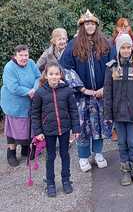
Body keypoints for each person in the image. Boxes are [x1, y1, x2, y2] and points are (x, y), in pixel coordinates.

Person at [60, 9, 110, 172]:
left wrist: (105, 87)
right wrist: (82, 88)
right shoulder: (73, 45)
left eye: (92, 23)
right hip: (81, 97)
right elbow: (65, 68)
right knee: (82, 127)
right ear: (82, 26)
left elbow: (112, 66)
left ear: (96, 26)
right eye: (87, 24)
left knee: (99, 126)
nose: (90, 26)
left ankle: (98, 154)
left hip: (101, 95)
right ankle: (82, 157)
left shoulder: (104, 42)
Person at [104, 33, 133, 186]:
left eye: (128, 47)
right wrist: (108, 114)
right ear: (118, 49)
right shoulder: (111, 68)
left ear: (132, 48)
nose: (125, 50)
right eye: (122, 48)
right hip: (117, 114)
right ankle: (125, 169)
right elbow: (108, 93)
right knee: (122, 143)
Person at [31, 62, 80, 197]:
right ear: (46, 75)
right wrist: (38, 132)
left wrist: (76, 128)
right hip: (48, 131)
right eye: (51, 74)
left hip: (64, 129)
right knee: (50, 157)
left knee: (65, 155)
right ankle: (50, 183)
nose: (54, 77)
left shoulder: (67, 90)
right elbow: (35, 113)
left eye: (57, 74)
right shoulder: (40, 93)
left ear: (60, 75)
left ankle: (66, 180)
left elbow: (73, 110)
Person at [0, 45, 41, 167]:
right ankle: (11, 153)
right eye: (21, 55)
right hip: (14, 104)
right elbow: (13, 87)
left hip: (29, 102)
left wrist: (35, 88)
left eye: (26, 55)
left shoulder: (31, 63)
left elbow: (38, 77)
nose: (24, 58)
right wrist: (29, 92)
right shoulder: (9, 67)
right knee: (13, 129)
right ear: (15, 55)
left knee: (28, 126)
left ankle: (25, 149)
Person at [109, 17, 133, 141]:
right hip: (117, 71)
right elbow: (110, 57)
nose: (124, 28)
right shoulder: (112, 41)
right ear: (117, 28)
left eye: (126, 26)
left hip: (132, 71)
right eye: (121, 26)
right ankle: (116, 129)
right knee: (118, 99)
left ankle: (131, 128)